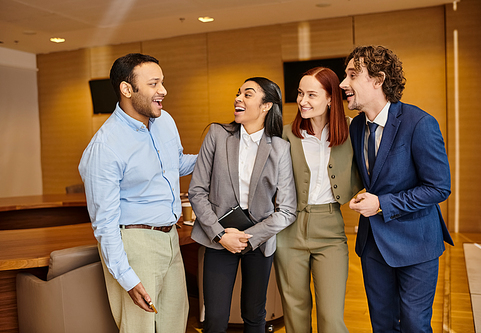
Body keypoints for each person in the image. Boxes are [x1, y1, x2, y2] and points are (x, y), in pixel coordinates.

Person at [79, 53, 197, 333]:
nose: (163, 91)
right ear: (127, 89)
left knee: (174, 324)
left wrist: (218, 152)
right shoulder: (105, 146)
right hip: (135, 244)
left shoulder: (165, 120)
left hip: (170, 239)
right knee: (139, 328)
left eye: (162, 82)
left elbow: (175, 163)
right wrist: (127, 278)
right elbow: (104, 223)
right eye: (154, 83)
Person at [340, 45, 453, 332]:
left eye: (353, 75)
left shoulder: (420, 123)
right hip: (374, 245)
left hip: (416, 243)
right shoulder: (355, 128)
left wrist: (381, 204)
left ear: (377, 80)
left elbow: (439, 187)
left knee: (415, 325)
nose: (343, 84)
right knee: (382, 325)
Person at [189, 77, 297, 333]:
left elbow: (287, 210)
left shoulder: (280, 148)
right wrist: (220, 235)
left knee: (254, 315)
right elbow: (197, 191)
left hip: (258, 242)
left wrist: (249, 237)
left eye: (247, 94)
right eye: (238, 93)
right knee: (214, 318)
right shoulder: (217, 135)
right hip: (218, 238)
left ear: (266, 105)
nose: (238, 98)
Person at [274, 67, 362, 333]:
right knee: (295, 312)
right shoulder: (286, 134)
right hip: (289, 229)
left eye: (312, 94)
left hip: (331, 229)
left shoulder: (351, 131)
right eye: (300, 93)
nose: (303, 101)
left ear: (331, 98)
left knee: (331, 317)